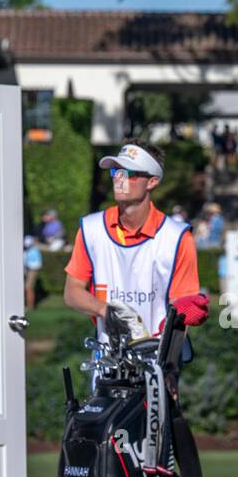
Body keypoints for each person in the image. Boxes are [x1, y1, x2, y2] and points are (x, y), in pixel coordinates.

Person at [64, 140, 211, 349]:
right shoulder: (91, 229)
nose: (119, 179)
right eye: (116, 171)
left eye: (130, 173)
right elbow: (72, 292)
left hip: (157, 363)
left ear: (152, 181)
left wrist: (167, 359)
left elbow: (183, 309)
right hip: (106, 361)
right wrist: (106, 311)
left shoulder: (177, 237)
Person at [23, 235, 43, 310]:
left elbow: (37, 264)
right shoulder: (29, 250)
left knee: (28, 288)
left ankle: (30, 306)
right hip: (29, 270)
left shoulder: (34, 250)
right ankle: (28, 305)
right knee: (27, 288)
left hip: (32, 270)